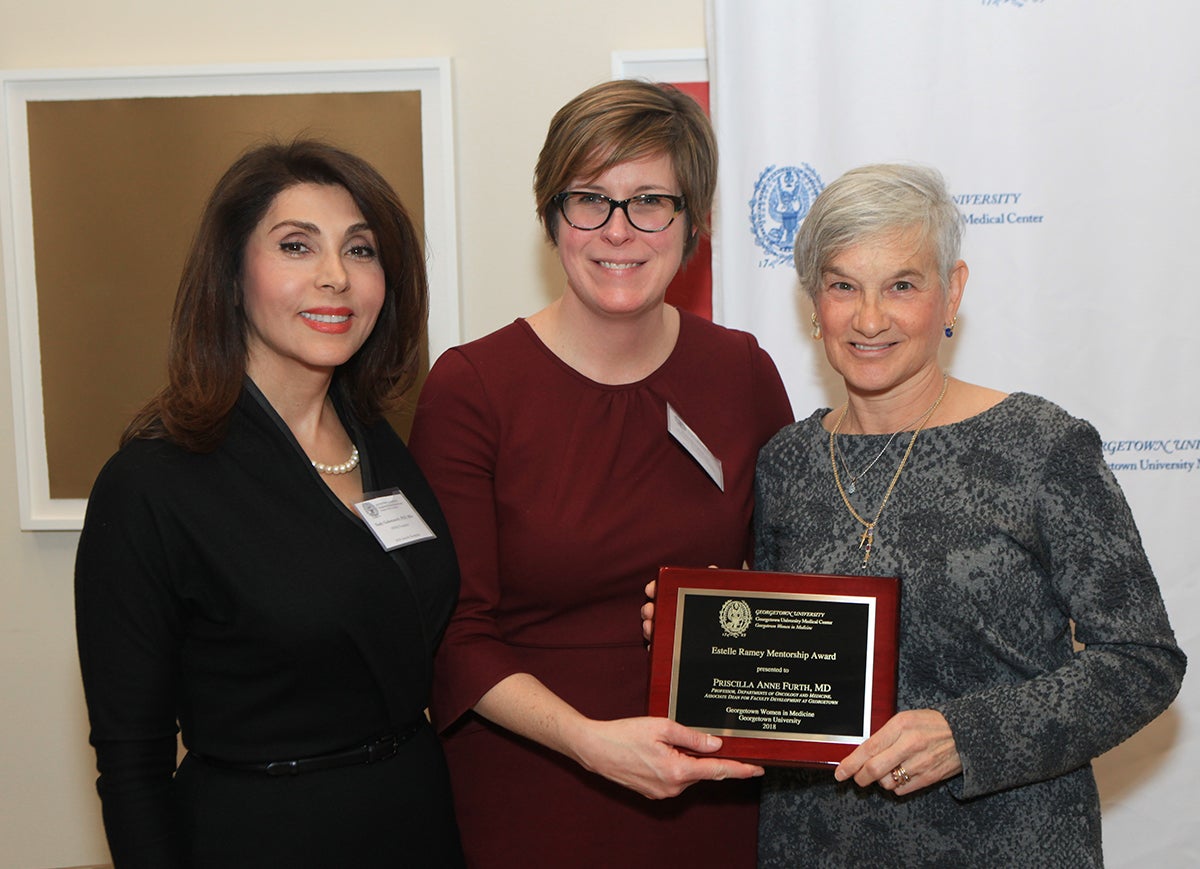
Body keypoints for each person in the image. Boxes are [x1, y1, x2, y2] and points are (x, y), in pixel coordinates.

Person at [750, 163, 1186, 865]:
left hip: (1007, 842)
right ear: (813, 301)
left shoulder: (1041, 446)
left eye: (902, 284)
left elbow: (1141, 661)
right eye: (842, 286)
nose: (869, 318)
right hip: (816, 845)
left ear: (951, 291)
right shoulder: (785, 463)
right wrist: (694, 635)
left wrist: (969, 734)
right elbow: (778, 673)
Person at [407, 80, 794, 868]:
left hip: (709, 791)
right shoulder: (472, 388)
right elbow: (454, 633)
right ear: (551, 217)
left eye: (652, 200)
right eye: (590, 199)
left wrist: (733, 608)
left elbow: (793, 580)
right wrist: (590, 744)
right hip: (537, 789)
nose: (620, 231)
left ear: (695, 224)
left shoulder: (741, 371)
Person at [75, 140, 464, 868]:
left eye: (361, 250)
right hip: (265, 833)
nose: (334, 277)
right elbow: (133, 766)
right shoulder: (151, 484)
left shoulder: (381, 443)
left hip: (416, 818)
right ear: (232, 276)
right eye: (295, 246)